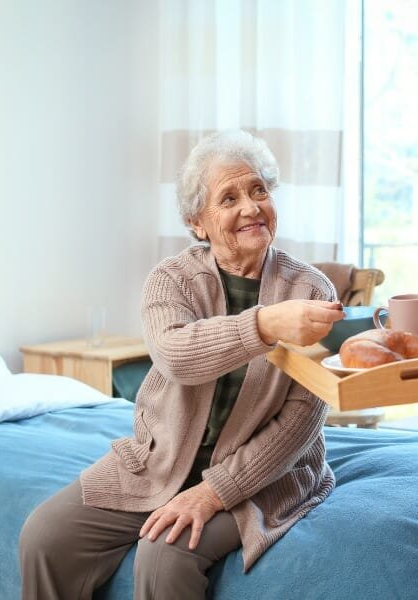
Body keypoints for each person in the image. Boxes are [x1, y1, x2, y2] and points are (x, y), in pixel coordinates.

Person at [19, 130, 345, 599]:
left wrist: (213, 492)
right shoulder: (171, 280)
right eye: (229, 198)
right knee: (44, 536)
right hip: (161, 461)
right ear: (198, 223)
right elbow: (176, 357)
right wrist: (266, 324)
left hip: (262, 476)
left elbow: (299, 423)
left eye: (259, 191)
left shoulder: (311, 291)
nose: (252, 207)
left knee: (165, 552)